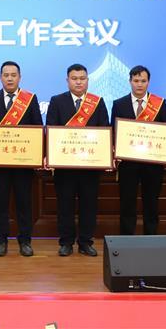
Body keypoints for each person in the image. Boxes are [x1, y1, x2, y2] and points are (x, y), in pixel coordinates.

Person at [47, 63, 109, 257]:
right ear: (67, 81)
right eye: (74, 79)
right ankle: (66, 242)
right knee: (65, 205)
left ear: (88, 80)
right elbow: (51, 129)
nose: (79, 82)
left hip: (90, 167)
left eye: (82, 78)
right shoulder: (57, 101)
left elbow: (104, 130)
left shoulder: (97, 102)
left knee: (88, 206)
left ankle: (85, 242)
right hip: (64, 167)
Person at [0, 61, 43, 257]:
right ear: (0, 77)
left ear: (19, 77)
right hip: (0, 164)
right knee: (0, 204)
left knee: (24, 203)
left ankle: (25, 241)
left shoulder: (30, 99)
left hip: (23, 164)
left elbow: (38, 128)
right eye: (6, 75)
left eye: (13, 75)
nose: (10, 78)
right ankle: (0, 241)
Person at [110, 65, 166, 236]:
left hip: (153, 164)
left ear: (148, 82)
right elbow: (113, 131)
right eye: (136, 80)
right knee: (127, 203)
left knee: (151, 203)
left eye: (143, 81)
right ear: (130, 81)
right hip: (128, 164)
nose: (139, 84)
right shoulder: (118, 104)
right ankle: (126, 239)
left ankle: (150, 238)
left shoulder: (160, 104)